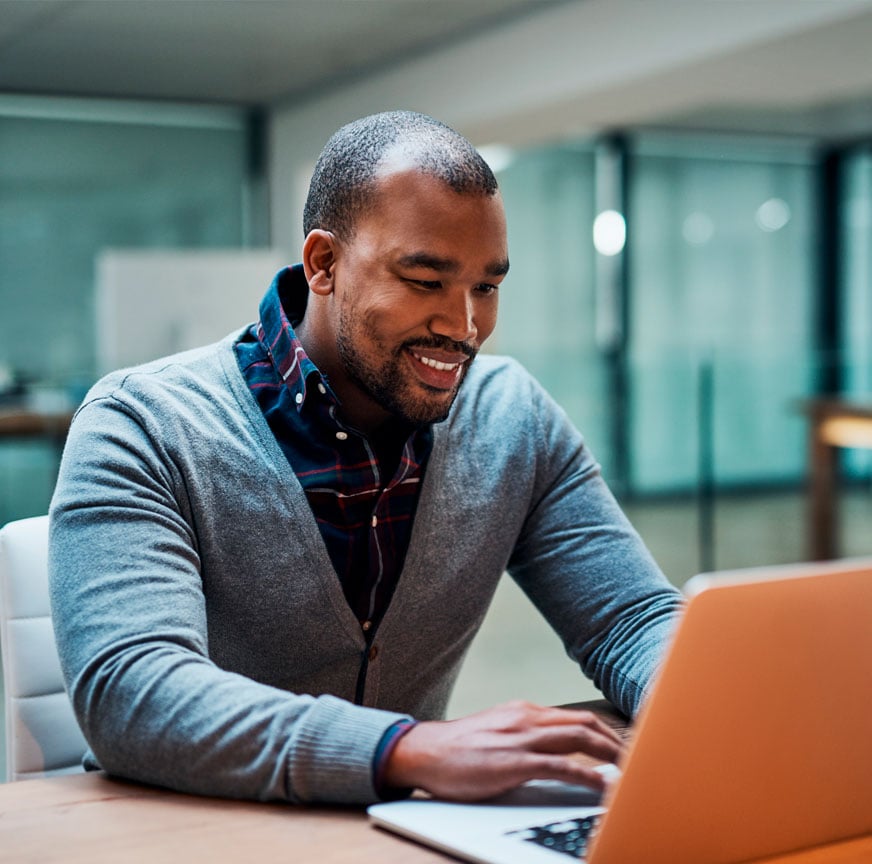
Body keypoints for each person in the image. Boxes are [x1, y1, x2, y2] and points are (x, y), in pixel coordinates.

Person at [48, 110, 683, 806]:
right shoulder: (142, 425)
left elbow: (629, 618)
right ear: (323, 264)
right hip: (185, 831)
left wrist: (709, 706)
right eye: (424, 280)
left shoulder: (513, 417)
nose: (464, 327)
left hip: (396, 832)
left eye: (486, 287)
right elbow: (131, 692)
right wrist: (401, 749)